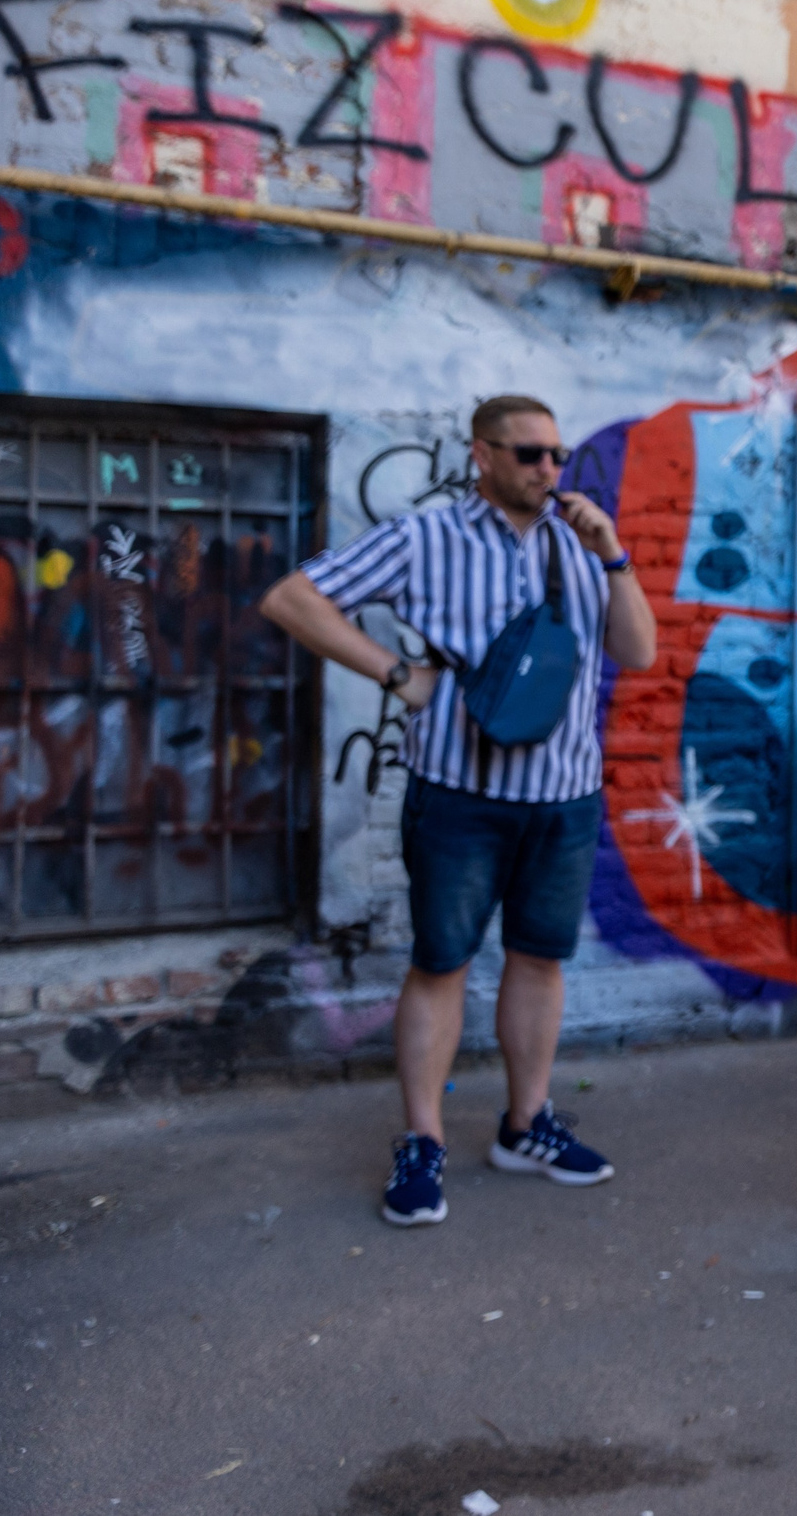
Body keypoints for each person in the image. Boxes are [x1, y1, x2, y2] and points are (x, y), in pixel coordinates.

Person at [260, 395, 657, 1227]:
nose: (548, 469)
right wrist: (394, 673)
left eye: (557, 454)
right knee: (441, 963)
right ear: (482, 455)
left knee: (540, 960)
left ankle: (525, 1123)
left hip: (564, 795)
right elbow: (295, 598)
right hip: (459, 796)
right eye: (528, 454)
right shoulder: (424, 537)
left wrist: (613, 555)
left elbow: (638, 651)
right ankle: (424, 1139)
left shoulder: (581, 544)